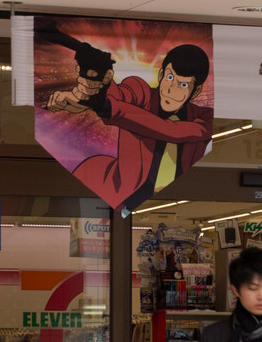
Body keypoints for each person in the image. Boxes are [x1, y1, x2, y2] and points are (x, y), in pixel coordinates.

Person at [42, 37, 214, 213]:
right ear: (161, 75)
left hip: (172, 205)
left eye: (183, 84)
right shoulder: (140, 91)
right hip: (120, 195)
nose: (171, 89)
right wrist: (95, 85)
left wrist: (106, 106)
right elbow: (119, 95)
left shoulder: (204, 118)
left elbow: (173, 131)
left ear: (196, 91)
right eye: (170, 77)